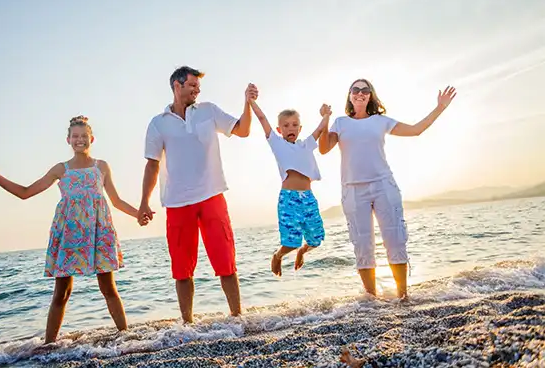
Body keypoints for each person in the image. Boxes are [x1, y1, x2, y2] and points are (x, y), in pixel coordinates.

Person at [0, 115, 138, 343]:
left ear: (92, 139)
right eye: (75, 136)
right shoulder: (61, 169)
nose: (80, 140)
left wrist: (139, 213)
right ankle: (49, 345)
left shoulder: (101, 167)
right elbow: (25, 192)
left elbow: (116, 201)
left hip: (99, 232)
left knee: (109, 288)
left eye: (84, 136)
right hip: (69, 234)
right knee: (62, 292)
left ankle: (125, 337)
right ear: (68, 140)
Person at [137, 66, 257, 323]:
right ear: (177, 86)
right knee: (182, 270)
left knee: (226, 262)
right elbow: (152, 164)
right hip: (177, 203)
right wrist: (144, 202)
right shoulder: (158, 123)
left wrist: (247, 104)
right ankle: (187, 323)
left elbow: (243, 130)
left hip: (212, 196)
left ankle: (238, 317)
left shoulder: (208, 111)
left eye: (198, 87)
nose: (197, 90)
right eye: (192, 85)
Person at [318, 79, 457, 299]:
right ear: (350, 95)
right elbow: (324, 148)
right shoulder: (340, 123)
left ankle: (403, 296)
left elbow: (415, 130)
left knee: (395, 239)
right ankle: (371, 299)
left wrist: (440, 107)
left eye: (365, 90)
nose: (360, 93)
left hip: (384, 186)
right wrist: (325, 120)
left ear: (371, 96)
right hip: (353, 191)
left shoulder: (380, 121)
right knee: (362, 245)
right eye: (356, 90)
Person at [248, 98, 332, 276]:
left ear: (300, 129)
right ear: (279, 130)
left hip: (308, 198)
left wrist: (326, 114)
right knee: (291, 242)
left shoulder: (306, 145)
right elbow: (262, 119)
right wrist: (251, 102)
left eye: (295, 125)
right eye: (285, 126)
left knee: (316, 240)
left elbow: (319, 129)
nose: (290, 128)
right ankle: (278, 256)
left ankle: (302, 251)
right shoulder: (277, 144)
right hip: (289, 198)